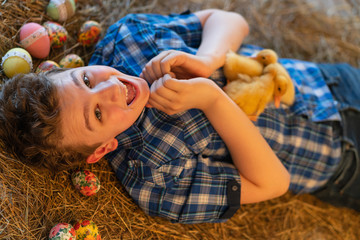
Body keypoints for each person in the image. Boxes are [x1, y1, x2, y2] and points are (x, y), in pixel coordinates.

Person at [0, 9, 358, 223]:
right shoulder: (156, 178)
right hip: (340, 164)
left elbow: (229, 20)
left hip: (327, 83)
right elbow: (273, 184)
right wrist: (212, 101)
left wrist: (208, 58)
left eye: (86, 78)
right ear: (101, 149)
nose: (107, 91)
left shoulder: (131, 38)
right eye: (95, 113)